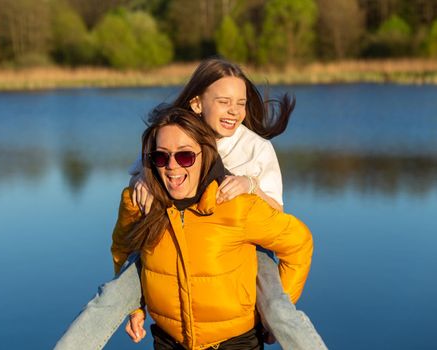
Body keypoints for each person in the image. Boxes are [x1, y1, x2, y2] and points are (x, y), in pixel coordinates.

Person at [54, 58, 327, 349]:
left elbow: (277, 215)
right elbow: (141, 173)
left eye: (241, 103)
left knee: (278, 310)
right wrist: (142, 181)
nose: (234, 111)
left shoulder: (255, 147)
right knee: (111, 297)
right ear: (197, 104)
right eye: (224, 102)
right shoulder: (175, 132)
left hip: (242, 243)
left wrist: (250, 185)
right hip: (172, 238)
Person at [117, 107, 313, 349]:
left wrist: (274, 312)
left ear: (206, 154)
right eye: (161, 157)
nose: (172, 166)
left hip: (236, 344)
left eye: (185, 156)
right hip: (168, 342)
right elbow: (123, 248)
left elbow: (298, 243)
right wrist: (134, 306)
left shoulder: (238, 207)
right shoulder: (138, 202)